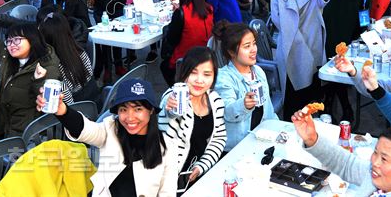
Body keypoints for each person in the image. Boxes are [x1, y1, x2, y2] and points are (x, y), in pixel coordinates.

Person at [35, 78, 177, 196]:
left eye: (138, 109)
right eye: (123, 109)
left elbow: (167, 193)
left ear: (151, 110)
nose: (130, 117)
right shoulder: (111, 129)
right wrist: (63, 112)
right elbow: (85, 129)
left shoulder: (167, 148)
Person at [292, 113, 391, 197]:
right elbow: (346, 164)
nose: (375, 162)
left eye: (384, 158)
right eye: (375, 152)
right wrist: (312, 139)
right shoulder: (380, 178)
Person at [271, 0, 342, 120]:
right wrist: (292, 34)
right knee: (289, 94)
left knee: (308, 96)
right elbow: (276, 18)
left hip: (309, 47)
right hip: (288, 47)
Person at [323, 0, 377, 121]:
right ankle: (344, 108)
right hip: (337, 26)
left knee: (344, 65)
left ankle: (328, 104)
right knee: (337, 65)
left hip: (356, 26)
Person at [158, 47, 226, 192]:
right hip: (168, 181)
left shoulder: (215, 100)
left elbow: (219, 139)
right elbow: (167, 117)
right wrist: (170, 109)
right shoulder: (174, 96)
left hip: (197, 175)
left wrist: (202, 166)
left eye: (207, 74)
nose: (199, 80)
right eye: (193, 72)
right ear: (184, 73)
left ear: (214, 76)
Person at [0, 23, 61, 141]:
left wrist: (38, 80)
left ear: (32, 40)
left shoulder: (46, 65)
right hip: (4, 127)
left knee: (15, 158)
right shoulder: (10, 58)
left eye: (17, 40)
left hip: (27, 136)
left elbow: (46, 102)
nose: (12, 45)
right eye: (9, 41)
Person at [213, 21, 278, 151]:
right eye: (247, 46)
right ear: (231, 52)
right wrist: (243, 104)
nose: (254, 49)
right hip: (236, 148)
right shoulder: (223, 78)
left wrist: (278, 129)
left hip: (260, 140)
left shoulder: (258, 72)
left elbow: (269, 111)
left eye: (254, 43)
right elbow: (227, 112)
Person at [160, 0, 213, 86]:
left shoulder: (182, 13)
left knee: (164, 65)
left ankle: (177, 88)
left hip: (185, 59)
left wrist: (174, 18)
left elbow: (171, 40)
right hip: (205, 54)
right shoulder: (208, 9)